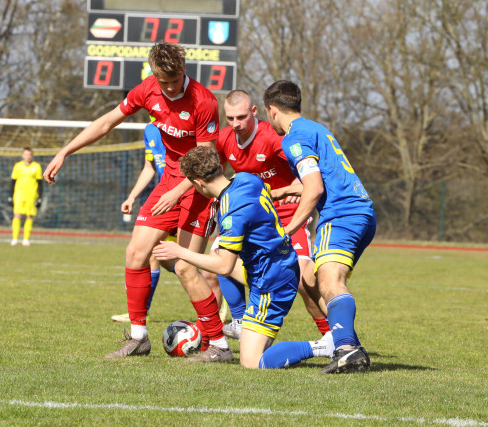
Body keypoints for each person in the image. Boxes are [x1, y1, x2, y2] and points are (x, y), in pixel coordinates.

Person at [44, 43, 232, 361]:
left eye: (175, 81)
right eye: (164, 82)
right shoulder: (147, 90)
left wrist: (177, 193)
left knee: (186, 267)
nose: (169, 88)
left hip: (200, 188)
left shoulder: (204, 101)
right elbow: (106, 122)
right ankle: (138, 338)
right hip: (169, 182)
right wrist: (65, 151)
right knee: (135, 253)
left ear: (184, 71)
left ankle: (220, 345)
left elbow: (207, 160)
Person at [152, 147, 335, 368]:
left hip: (271, 282)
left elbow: (224, 266)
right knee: (218, 250)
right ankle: (240, 321)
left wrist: (180, 252)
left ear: (198, 183)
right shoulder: (245, 178)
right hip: (276, 264)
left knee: (251, 361)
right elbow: (266, 193)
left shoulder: (231, 210)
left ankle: (324, 346)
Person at [263, 80, 376, 374]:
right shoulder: (315, 128)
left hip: (341, 215)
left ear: (272, 110)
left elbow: (314, 189)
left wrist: (287, 230)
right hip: (360, 211)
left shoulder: (293, 138)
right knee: (311, 280)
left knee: (329, 282)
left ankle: (346, 349)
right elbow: (321, 177)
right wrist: (285, 190)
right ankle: (345, 344)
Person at [213, 89, 330, 340]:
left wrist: (295, 185)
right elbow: (216, 177)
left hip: (289, 214)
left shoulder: (273, 137)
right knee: (220, 257)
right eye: (230, 118)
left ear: (254, 111)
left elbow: (311, 172)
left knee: (303, 281)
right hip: (254, 217)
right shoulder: (224, 139)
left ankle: (333, 336)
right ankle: (239, 321)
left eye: (241, 117)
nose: (235, 124)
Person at [112, 118, 174, 321]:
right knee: (154, 255)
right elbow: (150, 168)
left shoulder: (180, 123)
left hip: (186, 197)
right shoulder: (150, 129)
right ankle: (139, 312)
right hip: (164, 198)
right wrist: (132, 196)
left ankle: (219, 296)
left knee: (184, 265)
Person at [9, 147, 44, 246]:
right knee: (17, 215)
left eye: (29, 154)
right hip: (19, 194)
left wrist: (40, 197)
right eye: (25, 154)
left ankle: (26, 239)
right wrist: (10, 196)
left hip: (31, 195)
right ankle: (15, 238)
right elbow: (13, 182)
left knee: (29, 216)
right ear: (22, 155)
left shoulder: (36, 167)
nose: (27, 156)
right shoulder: (18, 166)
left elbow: (40, 183)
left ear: (32, 156)